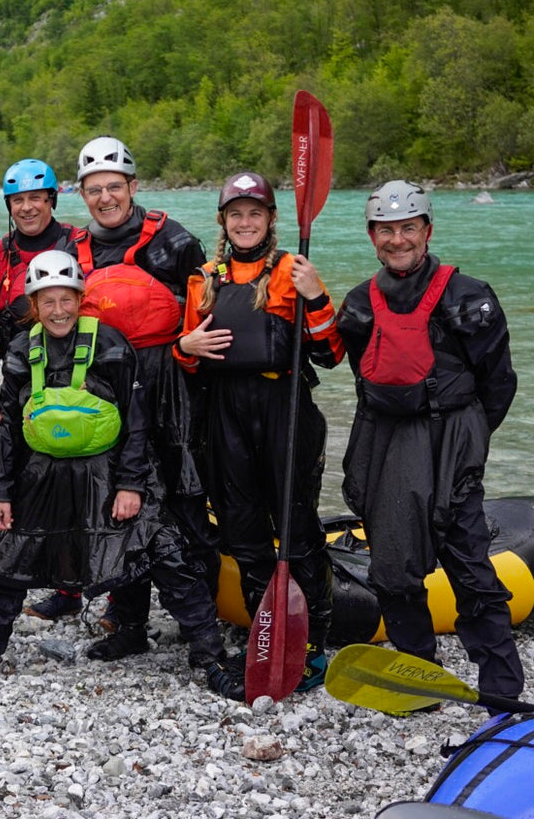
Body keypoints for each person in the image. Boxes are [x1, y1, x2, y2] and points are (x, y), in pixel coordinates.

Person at [0, 251, 244, 700]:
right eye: (47, 301)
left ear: (82, 299)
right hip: (42, 474)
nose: (58, 310)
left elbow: (137, 423)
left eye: (66, 299)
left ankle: (211, 658)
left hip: (109, 468)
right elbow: (13, 431)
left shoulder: (112, 345)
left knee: (165, 553)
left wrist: (131, 485)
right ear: (33, 306)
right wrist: (2, 492)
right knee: (5, 563)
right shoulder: (20, 352)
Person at [31, 135, 218, 658]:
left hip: (172, 388)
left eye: (114, 186)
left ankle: (200, 617)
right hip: (107, 390)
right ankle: (129, 623)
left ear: (133, 186)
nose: (105, 197)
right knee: (117, 502)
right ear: (82, 195)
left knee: (183, 503)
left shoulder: (176, 242)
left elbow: (207, 318)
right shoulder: (70, 252)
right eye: (94, 190)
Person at [336, 180, 523, 702]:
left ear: (427, 230)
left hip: (451, 442)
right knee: (392, 568)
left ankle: (501, 691)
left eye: (408, 228)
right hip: (382, 442)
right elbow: (361, 375)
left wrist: (466, 444)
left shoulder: (470, 298)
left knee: (469, 565)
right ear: (372, 236)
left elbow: (499, 384)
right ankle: (417, 674)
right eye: (387, 230)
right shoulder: (358, 305)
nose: (398, 240)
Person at [173, 172, 343, 691]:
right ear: (223, 222)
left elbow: (330, 354)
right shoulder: (204, 278)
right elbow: (186, 357)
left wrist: (314, 299)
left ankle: (313, 638)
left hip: (284, 405)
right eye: (236, 214)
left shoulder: (295, 271)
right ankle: (263, 629)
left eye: (256, 213)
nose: (245, 223)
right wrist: (185, 349)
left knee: (296, 522)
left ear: (271, 220)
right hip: (225, 412)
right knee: (242, 528)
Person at [0, 159, 77, 445]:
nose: (27, 208)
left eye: (35, 198)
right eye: (18, 200)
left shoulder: (81, 244)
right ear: (9, 206)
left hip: (79, 380)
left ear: (51, 200)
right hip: (19, 382)